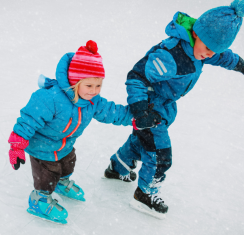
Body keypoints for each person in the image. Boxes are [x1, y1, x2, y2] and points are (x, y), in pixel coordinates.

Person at [103, 0, 244, 219]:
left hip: (164, 105)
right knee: (160, 153)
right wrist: (141, 110)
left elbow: (222, 56)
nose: (209, 55)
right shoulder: (172, 55)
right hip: (151, 108)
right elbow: (137, 76)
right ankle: (145, 194)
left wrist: (240, 65)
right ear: (197, 34)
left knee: (143, 140)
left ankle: (118, 166)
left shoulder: (204, 47)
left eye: (214, 51)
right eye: (208, 49)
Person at [8, 40, 133, 224]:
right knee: (48, 174)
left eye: (98, 86)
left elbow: (111, 112)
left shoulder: (93, 101)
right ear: (75, 83)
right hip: (42, 147)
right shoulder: (50, 98)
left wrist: (134, 117)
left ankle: (61, 183)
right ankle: (39, 199)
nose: (94, 91)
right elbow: (28, 120)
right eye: (89, 86)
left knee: (68, 164)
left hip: (65, 144)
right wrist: (17, 146)